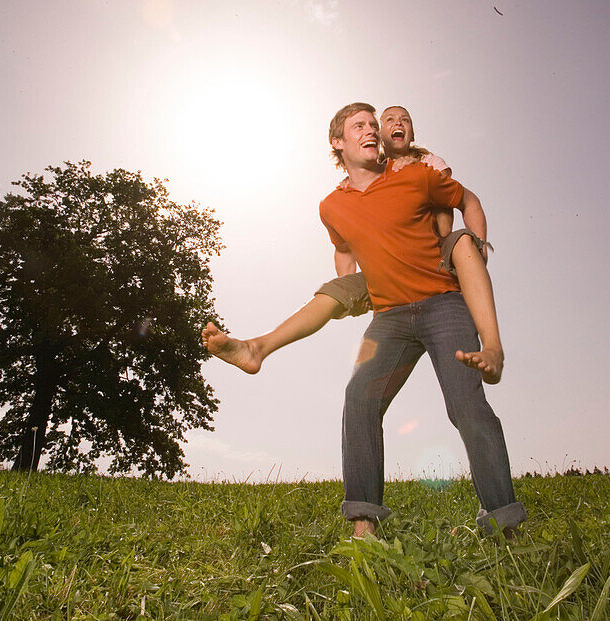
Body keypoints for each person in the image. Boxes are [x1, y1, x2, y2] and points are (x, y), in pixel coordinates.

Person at [316, 102, 524, 538]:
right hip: (389, 315)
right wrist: (350, 285)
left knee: (466, 405)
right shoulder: (336, 203)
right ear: (339, 141)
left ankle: (503, 524)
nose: (378, 129)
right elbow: (344, 246)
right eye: (366, 125)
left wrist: (477, 243)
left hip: (442, 302)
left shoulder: (418, 171)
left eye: (386, 122)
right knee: (360, 397)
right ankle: (363, 524)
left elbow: (466, 198)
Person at [201, 105, 505, 382]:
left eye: (404, 121)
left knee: (461, 241)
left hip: (434, 257)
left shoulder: (422, 164)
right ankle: (257, 348)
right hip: (389, 278)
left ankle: (493, 346)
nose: (389, 126)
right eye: (385, 121)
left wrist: (478, 245)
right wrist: (348, 291)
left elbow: (458, 202)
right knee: (335, 291)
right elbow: (344, 246)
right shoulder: (359, 181)